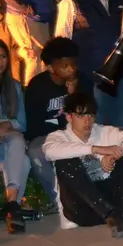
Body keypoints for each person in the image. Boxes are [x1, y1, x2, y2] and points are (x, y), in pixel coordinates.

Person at [42, 91, 123, 236]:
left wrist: (119, 152)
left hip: (115, 205)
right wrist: (97, 150)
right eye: (81, 116)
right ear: (69, 117)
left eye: (91, 116)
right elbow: (49, 152)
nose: (87, 121)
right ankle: (110, 215)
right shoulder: (59, 137)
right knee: (65, 162)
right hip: (82, 209)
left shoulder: (104, 132)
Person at [55, 0, 123, 130]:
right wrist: (69, 79)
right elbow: (62, 44)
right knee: (96, 129)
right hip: (90, 78)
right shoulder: (72, 1)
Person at [0, 37, 30, 233]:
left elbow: (22, 124)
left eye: (3, 56)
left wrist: (7, 125)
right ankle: (13, 209)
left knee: (22, 156)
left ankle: (12, 206)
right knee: (17, 144)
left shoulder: (14, 86)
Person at [24, 37, 81, 202]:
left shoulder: (79, 81)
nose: (71, 69)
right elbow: (33, 125)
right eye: (65, 66)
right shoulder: (37, 86)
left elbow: (85, 115)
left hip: (71, 131)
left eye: (73, 64)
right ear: (50, 67)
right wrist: (58, 131)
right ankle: (59, 199)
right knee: (36, 152)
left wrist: (73, 95)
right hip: (45, 135)